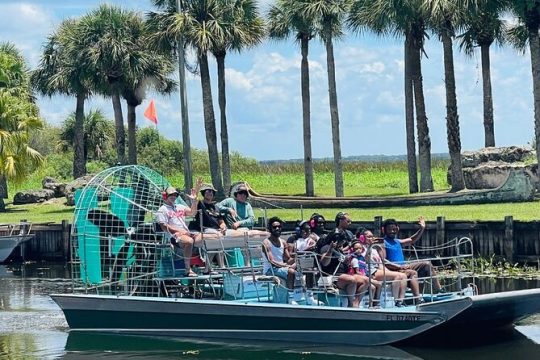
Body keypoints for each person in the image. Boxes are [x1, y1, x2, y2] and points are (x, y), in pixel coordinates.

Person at [382, 217, 444, 299]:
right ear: (384, 230)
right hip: (394, 269)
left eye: (394, 229)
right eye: (390, 229)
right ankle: (418, 298)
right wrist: (399, 266)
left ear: (397, 229)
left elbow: (412, 239)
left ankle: (440, 290)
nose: (392, 231)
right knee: (412, 273)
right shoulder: (383, 242)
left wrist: (422, 228)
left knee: (427, 264)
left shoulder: (397, 241)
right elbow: (383, 261)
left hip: (403, 266)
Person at [156, 179, 203, 277]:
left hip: (185, 233)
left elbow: (192, 212)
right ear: (165, 196)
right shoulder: (162, 210)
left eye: (175, 195)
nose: (173, 197)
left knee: (205, 238)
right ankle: (187, 269)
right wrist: (179, 230)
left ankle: (207, 267)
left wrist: (194, 201)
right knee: (189, 241)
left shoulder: (180, 206)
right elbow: (164, 226)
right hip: (174, 236)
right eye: (171, 195)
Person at [356, 227, 408, 307]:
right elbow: (365, 260)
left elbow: (380, 263)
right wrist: (369, 247)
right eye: (369, 237)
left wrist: (390, 272)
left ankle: (400, 301)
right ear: (362, 238)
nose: (371, 238)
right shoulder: (360, 248)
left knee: (403, 276)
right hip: (370, 271)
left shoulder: (374, 249)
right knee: (397, 276)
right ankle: (395, 301)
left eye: (372, 236)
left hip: (378, 270)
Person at [318, 230, 369, 307]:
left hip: (344, 274)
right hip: (333, 277)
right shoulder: (326, 248)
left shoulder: (339, 250)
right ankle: (350, 304)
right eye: (342, 241)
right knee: (352, 280)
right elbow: (324, 263)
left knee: (366, 280)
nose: (343, 244)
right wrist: (330, 251)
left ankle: (356, 303)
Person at [261, 216, 299, 305]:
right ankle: (291, 297)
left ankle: (308, 296)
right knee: (291, 272)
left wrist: (298, 258)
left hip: (280, 268)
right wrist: (286, 266)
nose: (277, 229)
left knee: (303, 268)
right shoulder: (266, 243)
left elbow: (287, 259)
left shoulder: (283, 242)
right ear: (270, 229)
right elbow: (272, 261)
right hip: (270, 270)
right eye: (274, 227)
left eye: (279, 227)